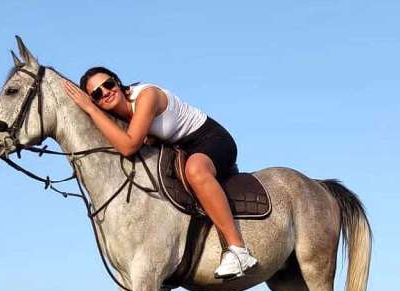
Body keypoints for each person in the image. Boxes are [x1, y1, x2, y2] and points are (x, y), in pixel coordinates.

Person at [63, 67, 258, 280]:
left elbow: (128, 146)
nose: (106, 92)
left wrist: (90, 110)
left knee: (195, 170)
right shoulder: (119, 118)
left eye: (108, 84)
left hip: (210, 140)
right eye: (97, 94)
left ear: (117, 82)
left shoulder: (147, 96)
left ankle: (238, 250)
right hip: (181, 149)